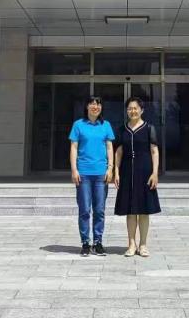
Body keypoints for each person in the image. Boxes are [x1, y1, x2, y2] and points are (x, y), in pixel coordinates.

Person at [113, 96, 161, 257]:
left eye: (135, 108)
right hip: (127, 172)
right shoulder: (122, 129)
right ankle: (131, 244)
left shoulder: (149, 128)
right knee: (130, 210)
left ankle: (143, 244)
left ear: (141, 110)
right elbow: (118, 152)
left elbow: (154, 151)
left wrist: (155, 173)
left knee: (144, 210)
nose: (132, 111)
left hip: (145, 172)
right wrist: (116, 172)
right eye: (129, 108)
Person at [69, 96, 115, 257]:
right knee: (84, 210)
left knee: (100, 210)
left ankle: (98, 242)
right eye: (92, 104)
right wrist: (74, 170)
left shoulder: (106, 125)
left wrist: (110, 168)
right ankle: (85, 243)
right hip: (83, 174)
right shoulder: (78, 125)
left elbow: (109, 148)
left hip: (101, 174)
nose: (95, 106)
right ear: (87, 106)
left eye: (98, 104)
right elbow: (74, 148)